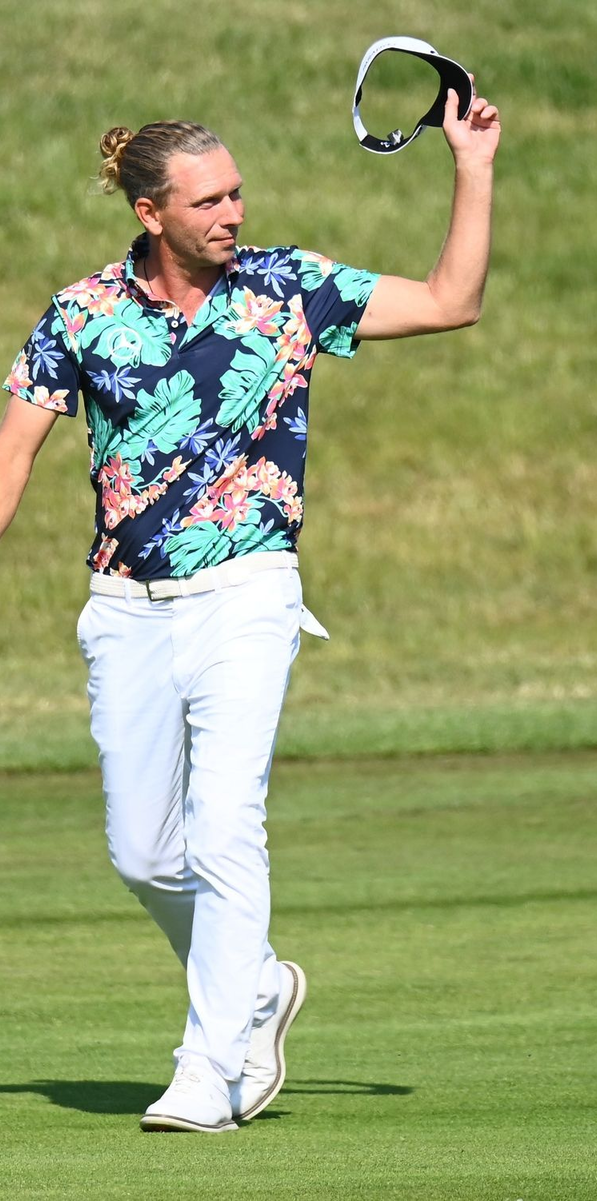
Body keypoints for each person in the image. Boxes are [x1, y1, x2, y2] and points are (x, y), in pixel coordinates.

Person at [0, 88, 500, 1134]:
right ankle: (259, 987)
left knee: (227, 827)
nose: (233, 213)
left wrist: (472, 162)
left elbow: (453, 299)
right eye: (209, 200)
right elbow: (10, 458)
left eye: (238, 193)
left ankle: (209, 1067)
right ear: (151, 212)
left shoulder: (291, 287)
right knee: (143, 852)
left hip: (248, 593)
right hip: (124, 606)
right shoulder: (79, 313)